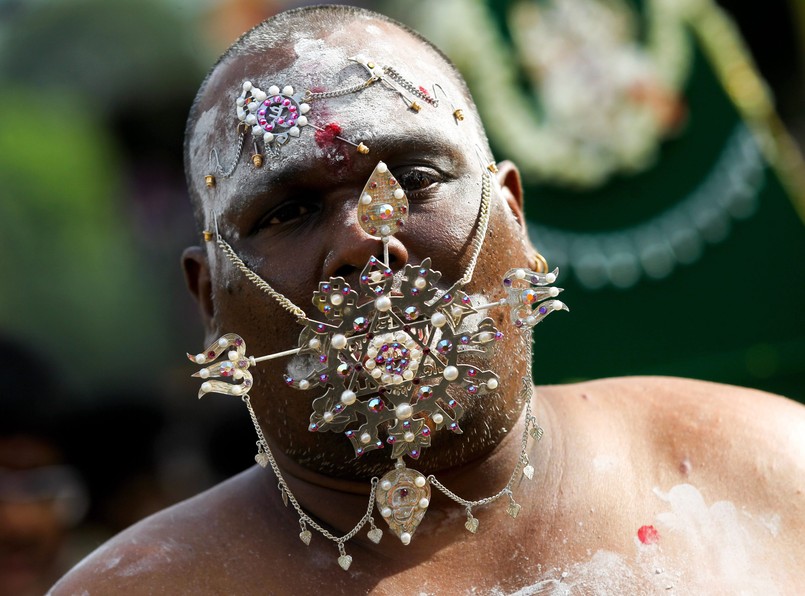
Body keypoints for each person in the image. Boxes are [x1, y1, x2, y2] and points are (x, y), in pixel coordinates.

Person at [52, 5, 805, 594]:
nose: (363, 242)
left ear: (513, 213)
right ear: (207, 299)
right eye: (287, 212)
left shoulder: (771, 473)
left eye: (413, 179)